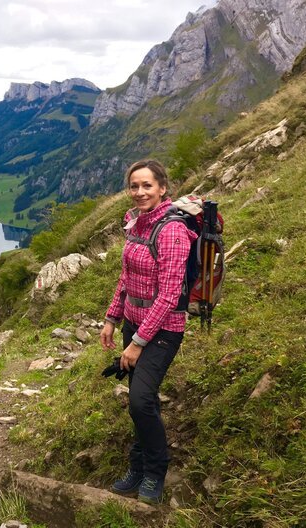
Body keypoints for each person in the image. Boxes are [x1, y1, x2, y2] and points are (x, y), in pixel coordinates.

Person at [99, 159, 197, 505]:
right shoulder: (136, 223)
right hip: (133, 322)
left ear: (162, 189)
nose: (139, 192)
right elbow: (126, 275)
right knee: (142, 401)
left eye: (147, 186)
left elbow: (170, 294)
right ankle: (138, 466)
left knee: (140, 400)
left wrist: (138, 344)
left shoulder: (172, 230)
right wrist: (112, 317)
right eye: (134, 186)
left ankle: (155, 471)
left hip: (164, 329)